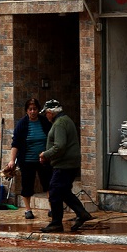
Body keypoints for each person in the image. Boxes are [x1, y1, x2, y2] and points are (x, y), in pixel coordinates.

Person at [38, 99, 93, 233]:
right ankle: (82, 213)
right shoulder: (65, 120)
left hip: (64, 165)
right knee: (64, 191)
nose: (46, 116)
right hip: (68, 163)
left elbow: (60, 146)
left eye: (46, 113)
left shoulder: (60, 124)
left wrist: (46, 154)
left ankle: (56, 223)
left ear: (51, 112)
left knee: (55, 191)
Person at [5, 98, 52, 219]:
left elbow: (51, 139)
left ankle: (52, 208)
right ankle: (28, 210)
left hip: (44, 160)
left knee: (48, 184)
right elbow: (15, 144)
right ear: (26, 111)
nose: (32, 111)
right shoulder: (22, 124)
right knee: (27, 185)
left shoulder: (44, 122)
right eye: (30, 109)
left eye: (35, 109)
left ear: (38, 110)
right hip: (27, 160)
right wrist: (12, 160)